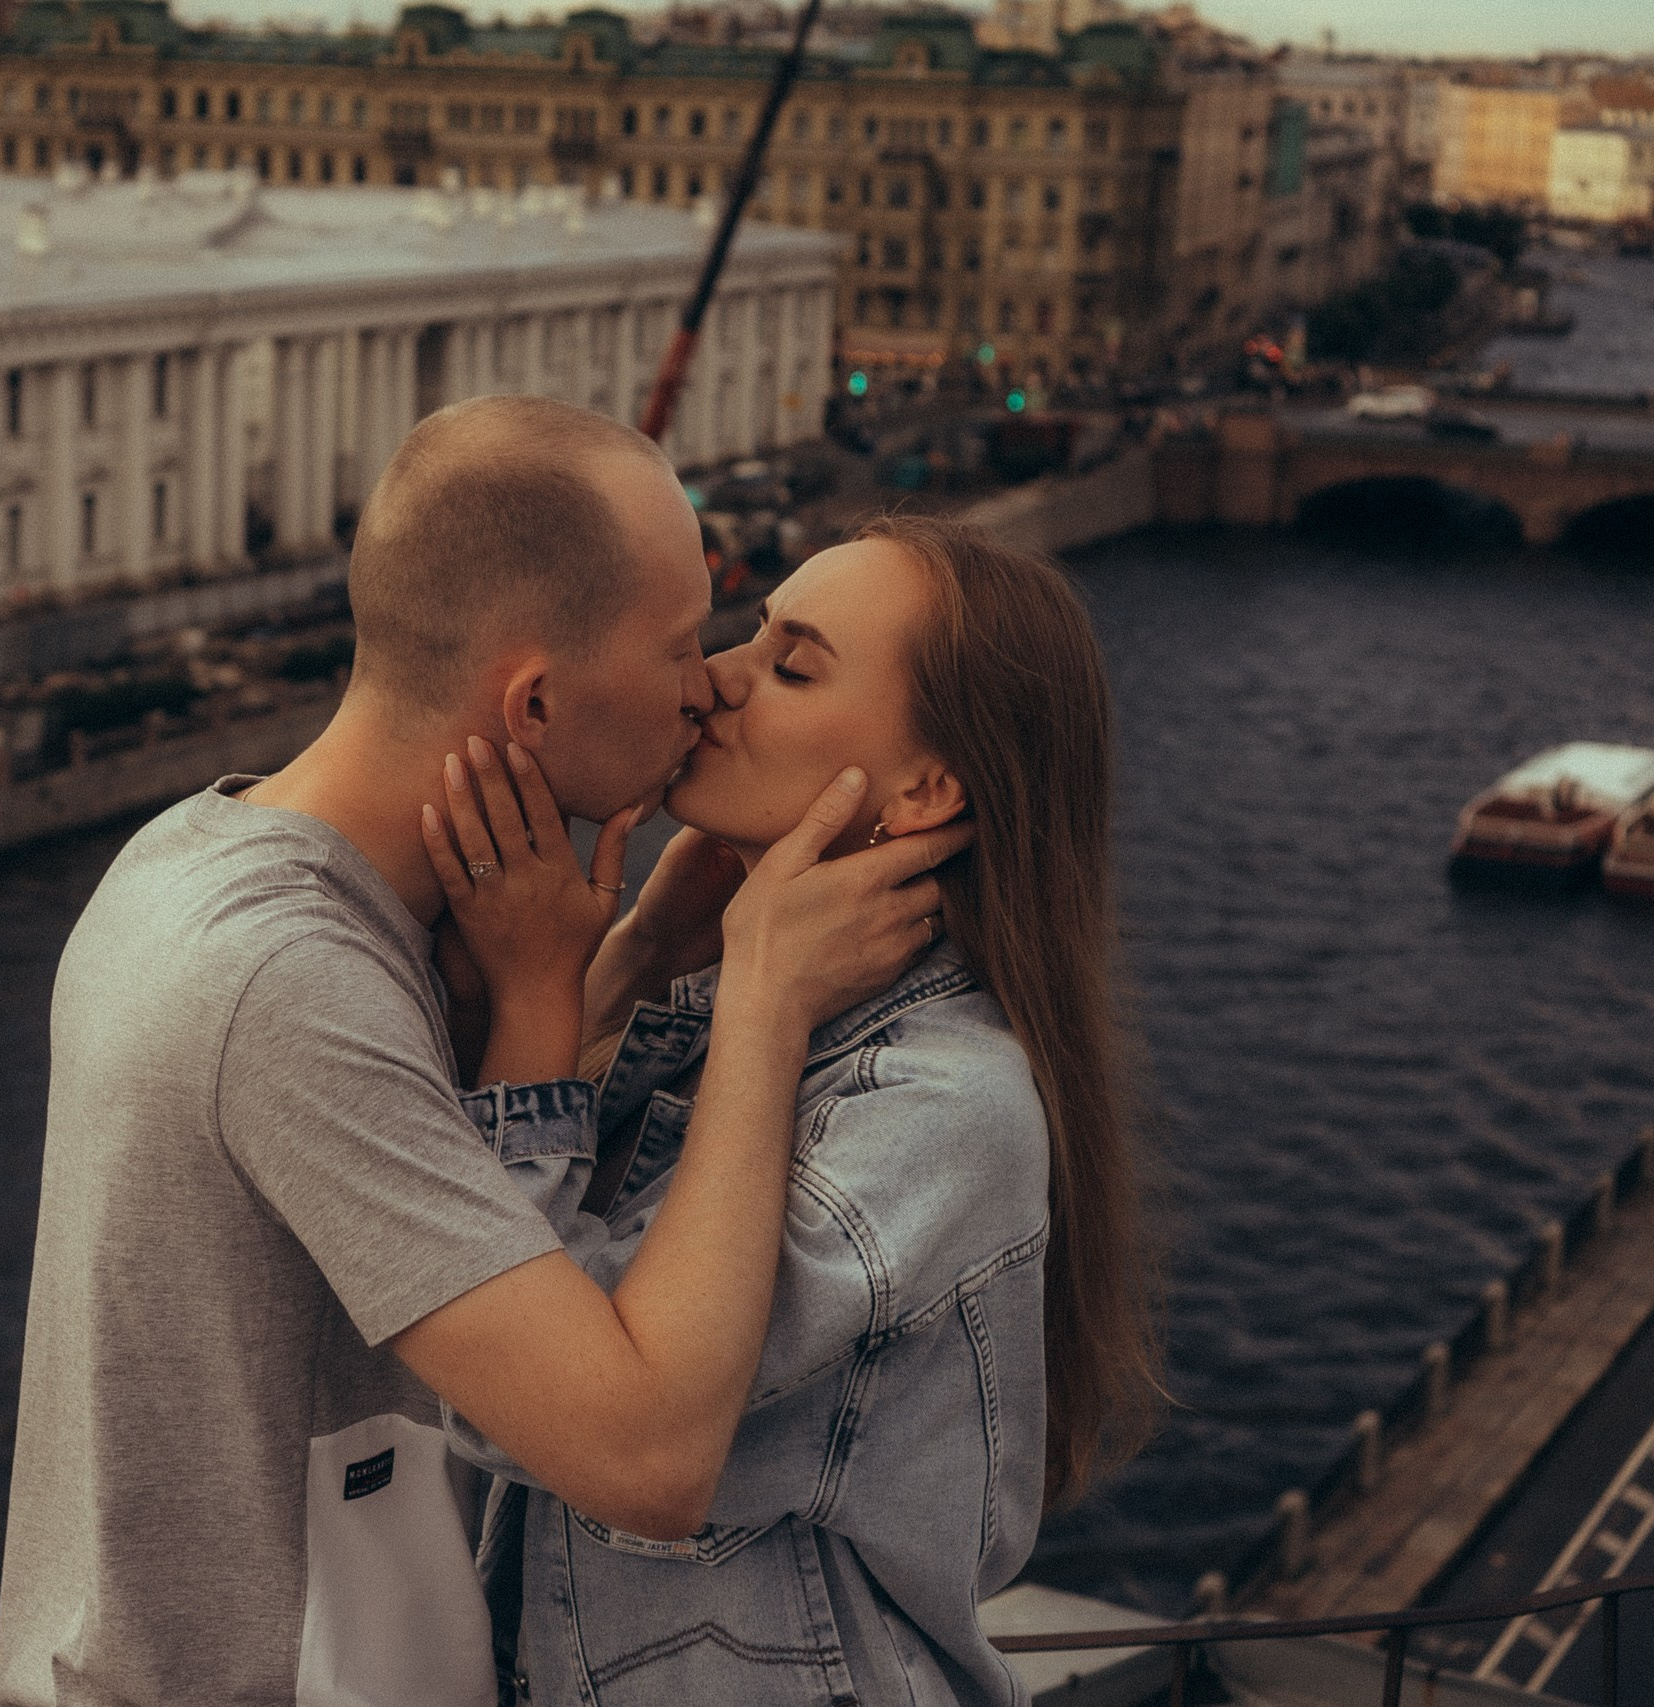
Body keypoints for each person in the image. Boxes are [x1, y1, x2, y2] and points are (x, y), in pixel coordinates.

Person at [0, 397, 966, 1707]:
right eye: (682, 641)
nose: (707, 683)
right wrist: (765, 1001)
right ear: (537, 696)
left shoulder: (197, 857)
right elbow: (649, 1455)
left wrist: (591, 975)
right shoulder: (288, 983)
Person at [424, 513, 1158, 1706]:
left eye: (789, 664)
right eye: (751, 634)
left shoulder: (943, 1107)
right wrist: (638, 963)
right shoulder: (739, 1006)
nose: (713, 680)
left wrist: (540, 994)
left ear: (924, 790)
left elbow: (525, 1399)